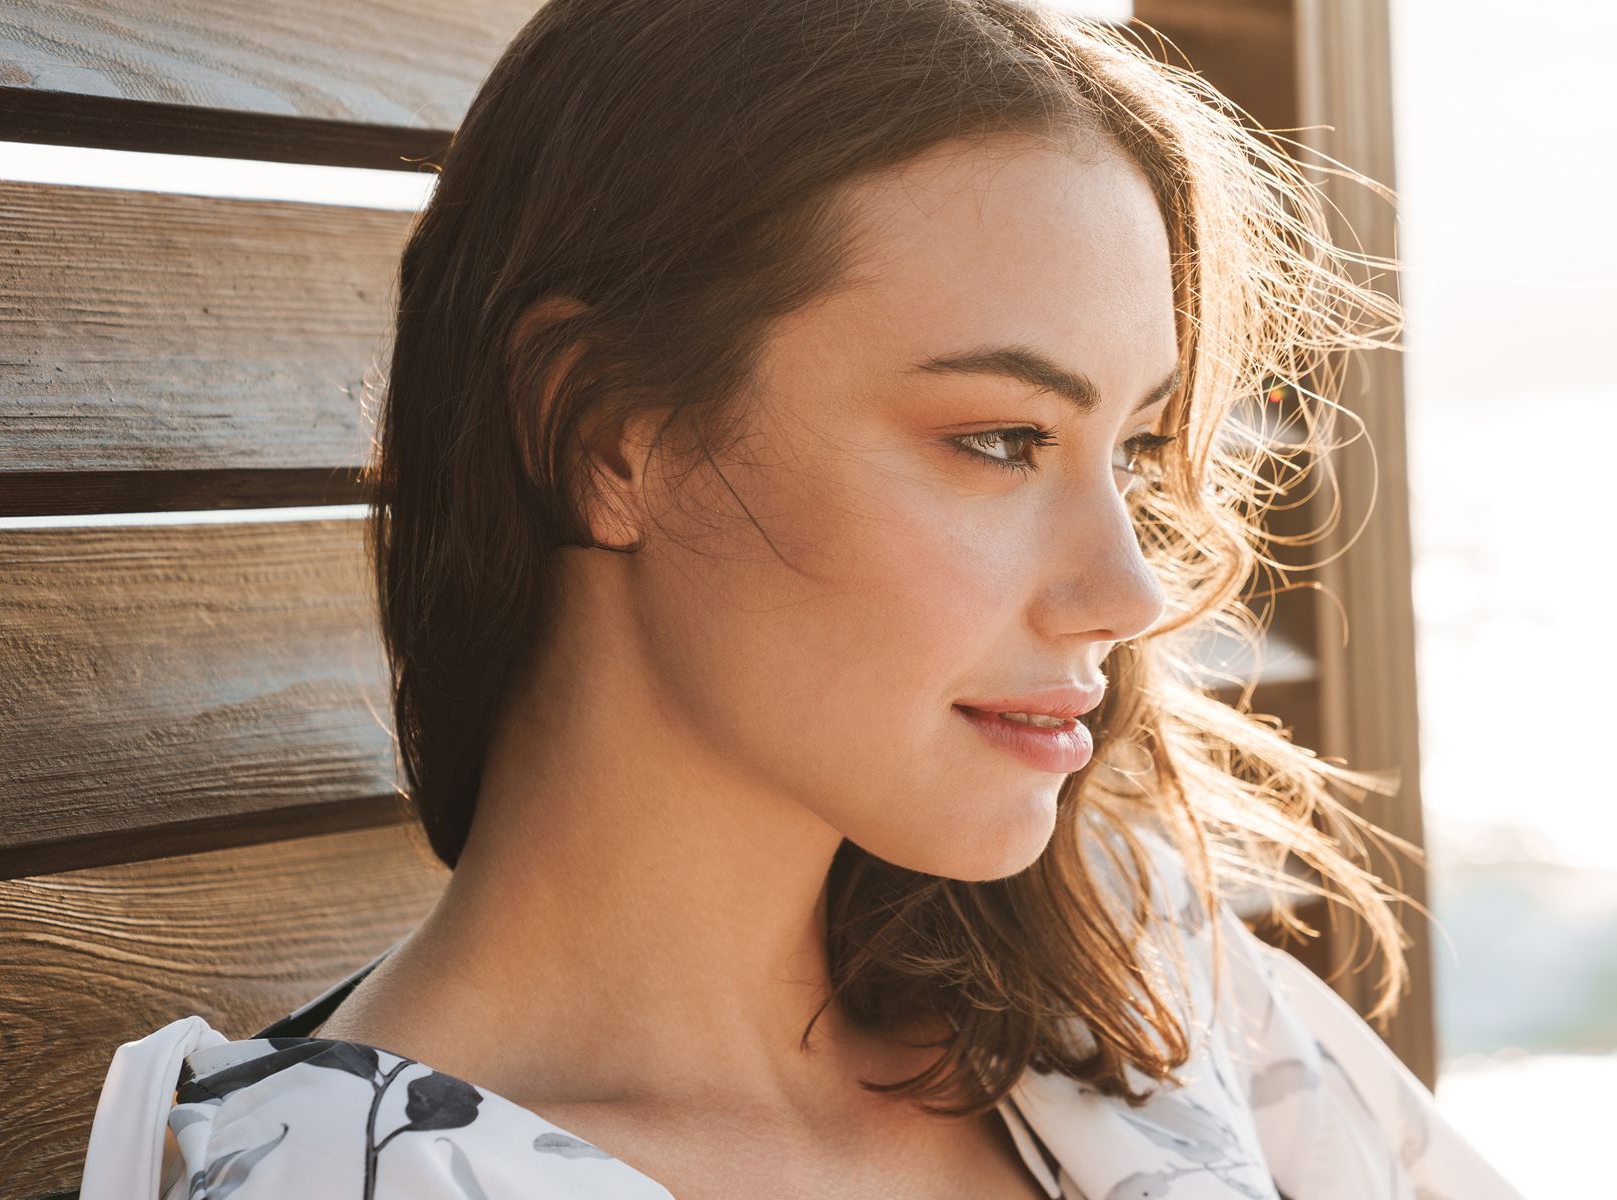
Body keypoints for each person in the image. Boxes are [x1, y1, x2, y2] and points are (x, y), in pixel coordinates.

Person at [78, 1, 1527, 1196]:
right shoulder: (346, 1175)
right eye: (1000, 441)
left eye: (1132, 454)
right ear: (607, 437)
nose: (1129, 590)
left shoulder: (1136, 976)